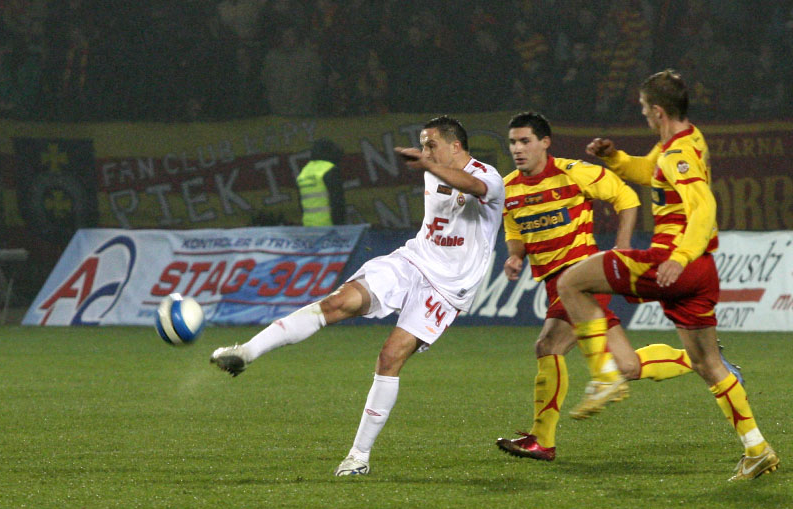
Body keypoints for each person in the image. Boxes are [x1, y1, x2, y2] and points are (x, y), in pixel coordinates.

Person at [210, 116, 505, 476]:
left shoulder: (488, 177)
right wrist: (430, 163)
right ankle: (246, 353)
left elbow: (473, 186)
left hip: (448, 287)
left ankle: (358, 457)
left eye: (432, 145)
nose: (425, 152)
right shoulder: (433, 168)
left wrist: (428, 164)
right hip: (412, 260)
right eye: (423, 145)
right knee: (338, 302)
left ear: (456, 146)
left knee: (390, 357)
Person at [557, 69, 778, 480]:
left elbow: (704, 206)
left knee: (571, 282)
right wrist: (615, 159)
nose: (642, 114)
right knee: (707, 363)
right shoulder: (686, 140)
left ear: (658, 111)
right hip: (702, 271)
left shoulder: (677, 154)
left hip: (671, 262)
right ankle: (757, 448)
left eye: (644, 108)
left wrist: (680, 255)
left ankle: (605, 375)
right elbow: (651, 172)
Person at [495, 112, 694, 461]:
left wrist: (621, 246)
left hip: (583, 279)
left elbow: (627, 198)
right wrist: (515, 256)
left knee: (548, 345)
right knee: (627, 366)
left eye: (525, 141)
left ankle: (542, 440)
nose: (517, 149)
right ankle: (703, 358)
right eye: (513, 142)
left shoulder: (574, 172)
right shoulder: (508, 188)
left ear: (545, 143)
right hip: (553, 284)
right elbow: (515, 230)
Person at [296, 138, 345, 226]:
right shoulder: (329, 169)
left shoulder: (304, 172)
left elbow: (301, 202)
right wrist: (340, 225)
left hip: (308, 224)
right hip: (328, 226)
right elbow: (337, 201)